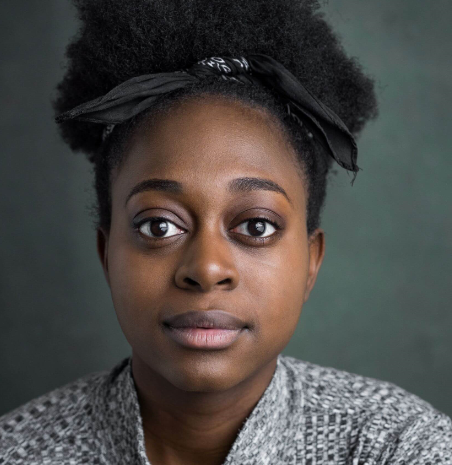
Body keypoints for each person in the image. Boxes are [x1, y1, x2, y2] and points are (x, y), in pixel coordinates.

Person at [1, 0, 451, 463]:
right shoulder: (17, 450)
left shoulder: (402, 447)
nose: (208, 268)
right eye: (159, 225)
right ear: (106, 255)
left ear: (311, 263)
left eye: (256, 225)